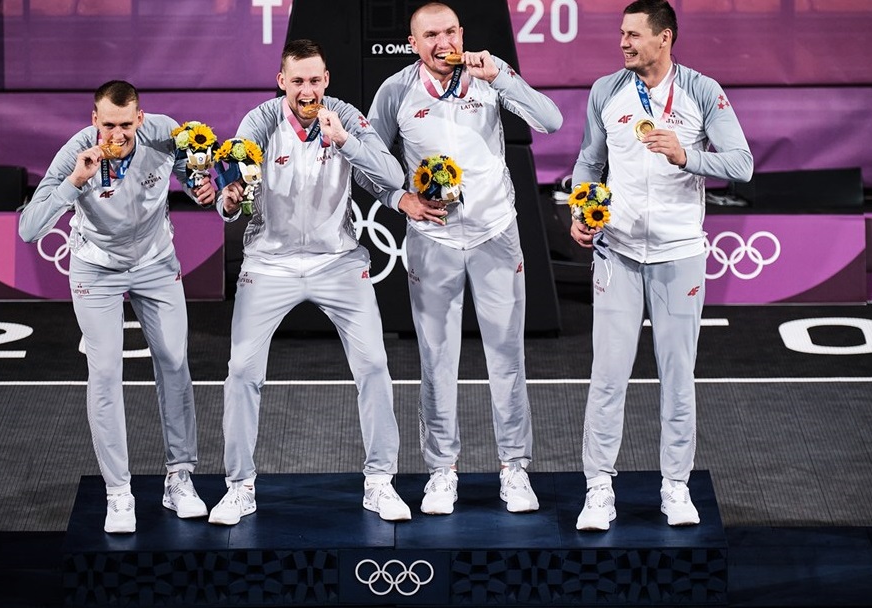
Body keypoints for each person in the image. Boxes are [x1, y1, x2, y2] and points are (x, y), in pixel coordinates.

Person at [364, 2, 562, 515]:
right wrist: (399, 199)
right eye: (430, 35)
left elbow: (551, 121)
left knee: (507, 357)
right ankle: (441, 471)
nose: (442, 42)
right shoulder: (396, 91)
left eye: (450, 31)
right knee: (436, 361)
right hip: (434, 242)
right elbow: (367, 159)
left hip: (496, 234)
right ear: (413, 43)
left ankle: (514, 469)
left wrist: (504, 77)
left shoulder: (489, 76)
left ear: (461, 33)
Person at [207, 39, 411, 525]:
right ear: (282, 82)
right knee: (240, 371)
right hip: (269, 264)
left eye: (315, 80)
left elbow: (393, 173)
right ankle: (240, 487)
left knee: (375, 365)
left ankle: (380, 482)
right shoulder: (259, 123)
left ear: (327, 80)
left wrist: (346, 141)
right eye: (297, 81)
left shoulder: (343, 116)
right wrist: (230, 200)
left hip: (337, 263)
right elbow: (230, 193)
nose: (307, 90)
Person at [569, 0, 753, 531]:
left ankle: (675, 487)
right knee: (607, 376)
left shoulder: (701, 90)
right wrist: (583, 209)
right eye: (621, 34)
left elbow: (740, 163)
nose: (623, 43)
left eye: (633, 35)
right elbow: (588, 159)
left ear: (664, 38)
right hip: (617, 251)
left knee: (677, 376)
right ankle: (599, 489)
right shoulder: (606, 90)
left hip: (679, 255)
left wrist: (685, 155)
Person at [19, 80, 215, 534]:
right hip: (96, 269)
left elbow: (198, 175)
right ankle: (118, 493)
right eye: (108, 125)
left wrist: (203, 187)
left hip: (155, 262)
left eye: (126, 124)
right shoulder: (77, 152)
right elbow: (30, 228)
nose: (118, 134)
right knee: (105, 372)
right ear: (95, 121)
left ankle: (179, 479)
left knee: (174, 362)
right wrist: (76, 180)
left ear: (140, 119)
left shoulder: (166, 132)